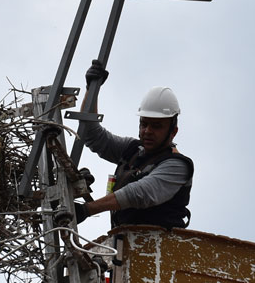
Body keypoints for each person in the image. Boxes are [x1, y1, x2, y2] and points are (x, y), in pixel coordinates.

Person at [73, 63, 192, 229]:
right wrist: (92, 90)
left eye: (157, 126)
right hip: (124, 245)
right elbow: (91, 134)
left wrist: (87, 210)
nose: (147, 131)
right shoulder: (132, 150)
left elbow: (139, 194)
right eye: (144, 124)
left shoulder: (177, 166)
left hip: (158, 249)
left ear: (173, 132)